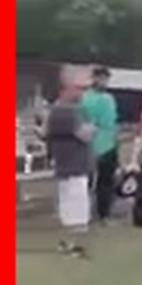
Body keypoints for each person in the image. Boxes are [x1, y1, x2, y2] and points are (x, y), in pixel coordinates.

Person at [46, 67, 94, 258]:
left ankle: (69, 245)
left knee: (69, 206)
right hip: (73, 165)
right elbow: (85, 134)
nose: (81, 93)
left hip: (66, 164)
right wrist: (91, 128)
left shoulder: (58, 111)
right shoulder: (65, 111)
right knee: (75, 208)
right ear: (66, 90)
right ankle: (72, 246)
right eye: (78, 89)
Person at [81, 66, 118, 224]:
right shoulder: (85, 98)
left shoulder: (109, 98)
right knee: (87, 181)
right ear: (94, 79)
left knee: (106, 181)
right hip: (90, 144)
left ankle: (104, 214)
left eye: (106, 79)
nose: (104, 82)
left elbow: (112, 122)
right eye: (101, 78)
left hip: (108, 143)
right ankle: (83, 213)